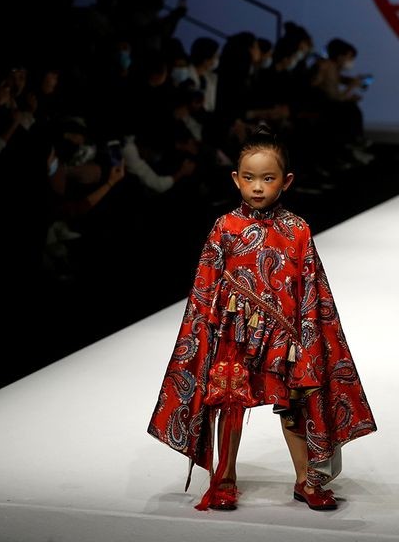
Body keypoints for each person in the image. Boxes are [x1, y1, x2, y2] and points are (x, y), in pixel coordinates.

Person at [147, 127, 377, 511]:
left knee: (293, 404)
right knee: (229, 403)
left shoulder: (298, 230)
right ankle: (225, 477)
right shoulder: (225, 228)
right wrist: (205, 328)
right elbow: (205, 285)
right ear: (235, 178)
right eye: (249, 178)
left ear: (285, 182)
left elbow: (312, 287)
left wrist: (306, 338)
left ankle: (306, 479)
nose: (257, 187)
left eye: (267, 179)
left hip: (286, 337)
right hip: (234, 335)